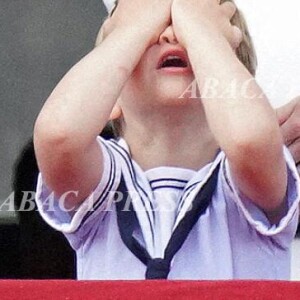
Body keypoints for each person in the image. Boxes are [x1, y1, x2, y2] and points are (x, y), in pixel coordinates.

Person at [33, 0, 300, 280]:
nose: (171, 35)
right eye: (151, 31)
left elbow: (249, 139)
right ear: (110, 96)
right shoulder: (102, 186)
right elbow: (59, 136)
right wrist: (134, 26)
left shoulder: (249, 175)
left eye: (188, 31)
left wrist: (200, 28)